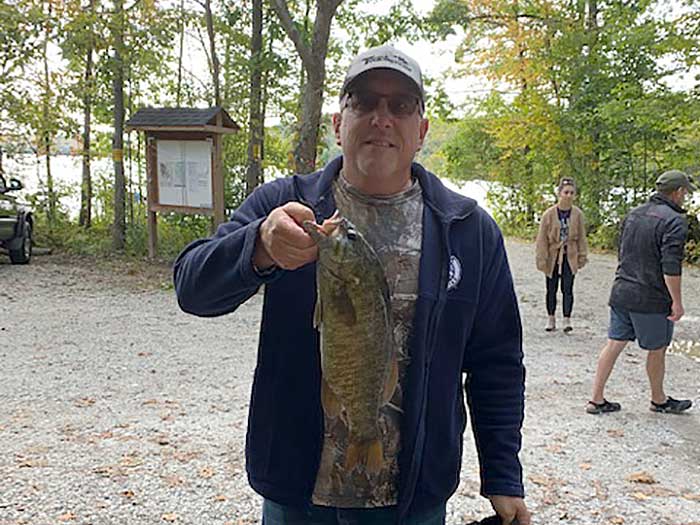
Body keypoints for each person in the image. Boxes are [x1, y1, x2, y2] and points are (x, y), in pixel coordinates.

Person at [174, 45, 530, 525]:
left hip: (414, 499)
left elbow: (497, 360)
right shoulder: (286, 203)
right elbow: (191, 287)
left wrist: (503, 475)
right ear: (339, 124)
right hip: (296, 495)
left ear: (421, 131)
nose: (382, 118)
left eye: (401, 105)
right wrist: (257, 247)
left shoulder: (467, 228)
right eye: (364, 101)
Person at [587, 169, 695, 415]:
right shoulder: (674, 221)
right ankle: (658, 399)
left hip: (622, 291)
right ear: (678, 192)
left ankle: (596, 398)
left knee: (614, 343)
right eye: (685, 193)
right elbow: (670, 266)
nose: (685, 197)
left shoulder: (633, 213)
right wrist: (677, 302)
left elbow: (622, 252)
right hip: (651, 298)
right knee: (657, 348)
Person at [535, 177, 589, 333]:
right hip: (553, 255)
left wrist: (582, 255)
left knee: (568, 288)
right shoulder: (549, 214)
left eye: (572, 193)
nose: (569, 195)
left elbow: (582, 237)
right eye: (566, 192)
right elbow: (542, 239)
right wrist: (542, 258)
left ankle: (567, 319)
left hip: (569, 255)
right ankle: (551, 318)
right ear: (559, 193)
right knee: (551, 289)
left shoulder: (577, 214)